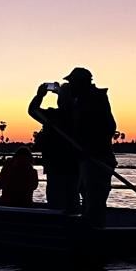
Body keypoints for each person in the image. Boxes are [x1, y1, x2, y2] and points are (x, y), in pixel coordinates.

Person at [65, 67, 116, 228]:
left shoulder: (95, 99)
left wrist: (91, 148)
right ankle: (90, 230)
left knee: (94, 201)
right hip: (87, 159)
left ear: (81, 83)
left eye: (72, 83)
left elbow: (109, 127)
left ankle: (94, 234)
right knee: (88, 198)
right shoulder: (80, 101)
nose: (70, 87)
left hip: (97, 159)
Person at [28, 80, 80, 212]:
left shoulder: (54, 116)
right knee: (72, 198)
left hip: (57, 165)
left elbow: (32, 110)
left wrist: (40, 96)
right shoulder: (79, 115)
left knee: (57, 200)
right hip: (73, 165)